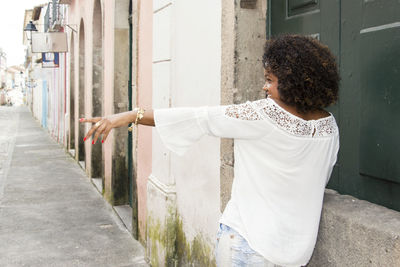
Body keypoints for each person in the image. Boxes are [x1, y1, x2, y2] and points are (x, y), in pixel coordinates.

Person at [81, 34, 340, 267]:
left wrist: (128, 116)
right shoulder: (329, 127)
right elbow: (318, 179)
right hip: (295, 253)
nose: (265, 88)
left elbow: (197, 117)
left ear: (293, 82)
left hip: (247, 245)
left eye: (270, 80)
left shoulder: (262, 115)